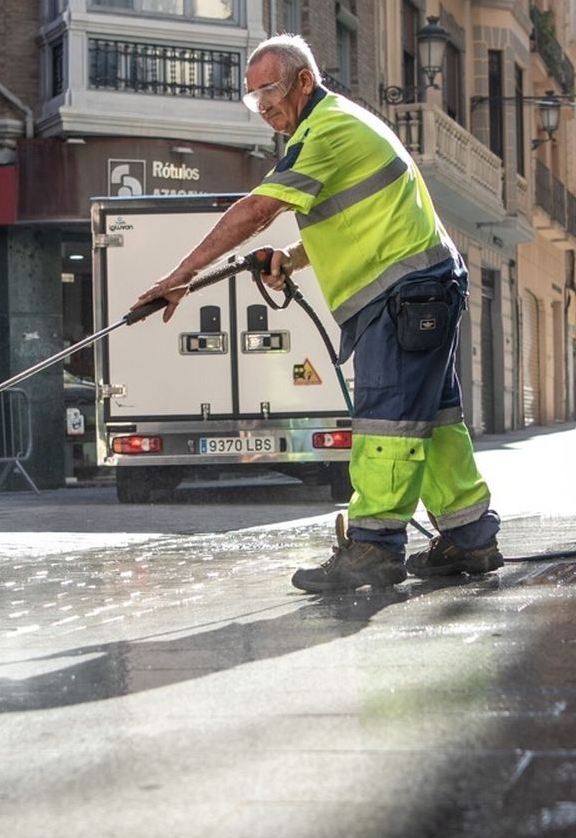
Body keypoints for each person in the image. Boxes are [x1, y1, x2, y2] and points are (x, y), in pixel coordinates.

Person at [132, 34, 502, 593]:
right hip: (420, 288)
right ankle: (470, 539)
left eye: (270, 92)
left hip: (404, 291)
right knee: (434, 421)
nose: (263, 106)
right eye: (252, 97)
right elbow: (350, 219)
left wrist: (180, 277)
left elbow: (257, 210)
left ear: (304, 81)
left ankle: (375, 547)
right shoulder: (325, 129)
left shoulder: (326, 129)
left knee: (389, 422)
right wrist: (292, 258)